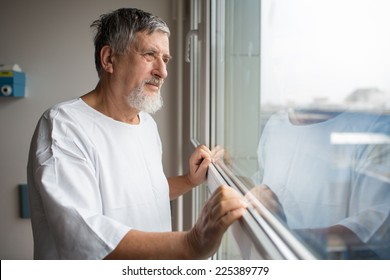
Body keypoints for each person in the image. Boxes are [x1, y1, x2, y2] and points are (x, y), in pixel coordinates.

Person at [27, 8, 247, 260]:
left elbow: (142, 195)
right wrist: (191, 243)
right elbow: (81, 234)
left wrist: (188, 180)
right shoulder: (63, 125)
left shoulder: (146, 125)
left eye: (165, 59)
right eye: (150, 55)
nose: (162, 71)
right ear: (109, 58)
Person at [254, 108, 390, 259]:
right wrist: (227, 171)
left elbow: (370, 232)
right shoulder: (275, 124)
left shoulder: (376, 129)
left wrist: (282, 236)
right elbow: (262, 183)